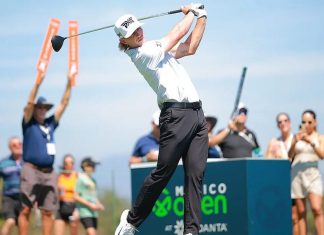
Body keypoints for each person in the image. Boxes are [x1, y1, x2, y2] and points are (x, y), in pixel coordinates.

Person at [114, 4, 208, 235]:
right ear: (124, 42)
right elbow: (178, 33)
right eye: (131, 34)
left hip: (197, 115)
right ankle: (131, 221)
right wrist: (190, 12)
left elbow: (190, 47)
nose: (138, 33)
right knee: (163, 172)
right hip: (175, 116)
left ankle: (191, 231)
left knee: (195, 175)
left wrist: (202, 17)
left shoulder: (156, 50)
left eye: (137, 28)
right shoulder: (143, 53)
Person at [19, 73, 73, 235]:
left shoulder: (50, 124)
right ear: (35, 109)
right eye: (40, 107)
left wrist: (69, 83)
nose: (43, 110)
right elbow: (28, 104)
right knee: (26, 208)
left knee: (49, 210)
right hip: (31, 169)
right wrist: (37, 83)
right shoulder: (28, 123)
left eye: (45, 108)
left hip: (49, 172)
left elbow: (64, 104)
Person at [288, 110, 324, 235]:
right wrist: (295, 142)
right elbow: (289, 155)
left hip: (313, 174)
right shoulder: (296, 137)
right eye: (304, 122)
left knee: (316, 208)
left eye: (309, 122)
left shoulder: (319, 137)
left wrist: (311, 142)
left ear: (315, 122)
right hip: (297, 175)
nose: (306, 124)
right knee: (301, 211)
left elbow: (322, 155)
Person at [265, 112, 299, 235]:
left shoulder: (296, 139)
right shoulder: (274, 142)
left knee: (296, 217)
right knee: (282, 217)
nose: (283, 123)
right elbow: (266, 163)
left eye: (285, 120)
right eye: (280, 122)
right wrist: (273, 154)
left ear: (289, 122)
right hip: (280, 185)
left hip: (295, 182)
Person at [74, 157, 104, 235]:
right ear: (85, 166)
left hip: (94, 213)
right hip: (85, 212)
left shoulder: (93, 180)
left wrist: (98, 204)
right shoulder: (80, 179)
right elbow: (76, 196)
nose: (94, 168)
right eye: (92, 166)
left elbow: (94, 196)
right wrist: (90, 205)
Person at [0, 136, 23, 235]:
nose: (17, 146)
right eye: (14, 144)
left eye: (19, 144)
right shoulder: (3, 163)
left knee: (22, 225)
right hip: (9, 197)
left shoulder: (28, 162)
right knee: (10, 221)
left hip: (24, 198)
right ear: (10, 147)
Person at [54, 154, 79, 235]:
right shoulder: (59, 176)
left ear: (73, 164)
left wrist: (77, 209)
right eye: (66, 163)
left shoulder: (77, 176)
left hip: (74, 207)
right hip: (61, 206)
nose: (68, 165)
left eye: (70, 163)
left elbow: (81, 194)